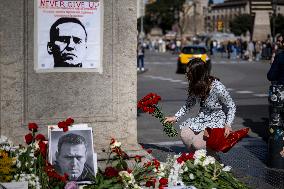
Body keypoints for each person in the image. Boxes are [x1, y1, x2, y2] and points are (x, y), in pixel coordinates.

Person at [164, 58, 236, 151]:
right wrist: (175, 117)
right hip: (202, 118)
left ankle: (212, 159)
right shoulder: (195, 85)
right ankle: (198, 158)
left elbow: (231, 106)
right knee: (185, 134)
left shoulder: (217, 87)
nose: (186, 75)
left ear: (197, 74)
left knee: (197, 145)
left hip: (217, 120)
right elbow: (189, 104)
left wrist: (228, 124)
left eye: (189, 73)